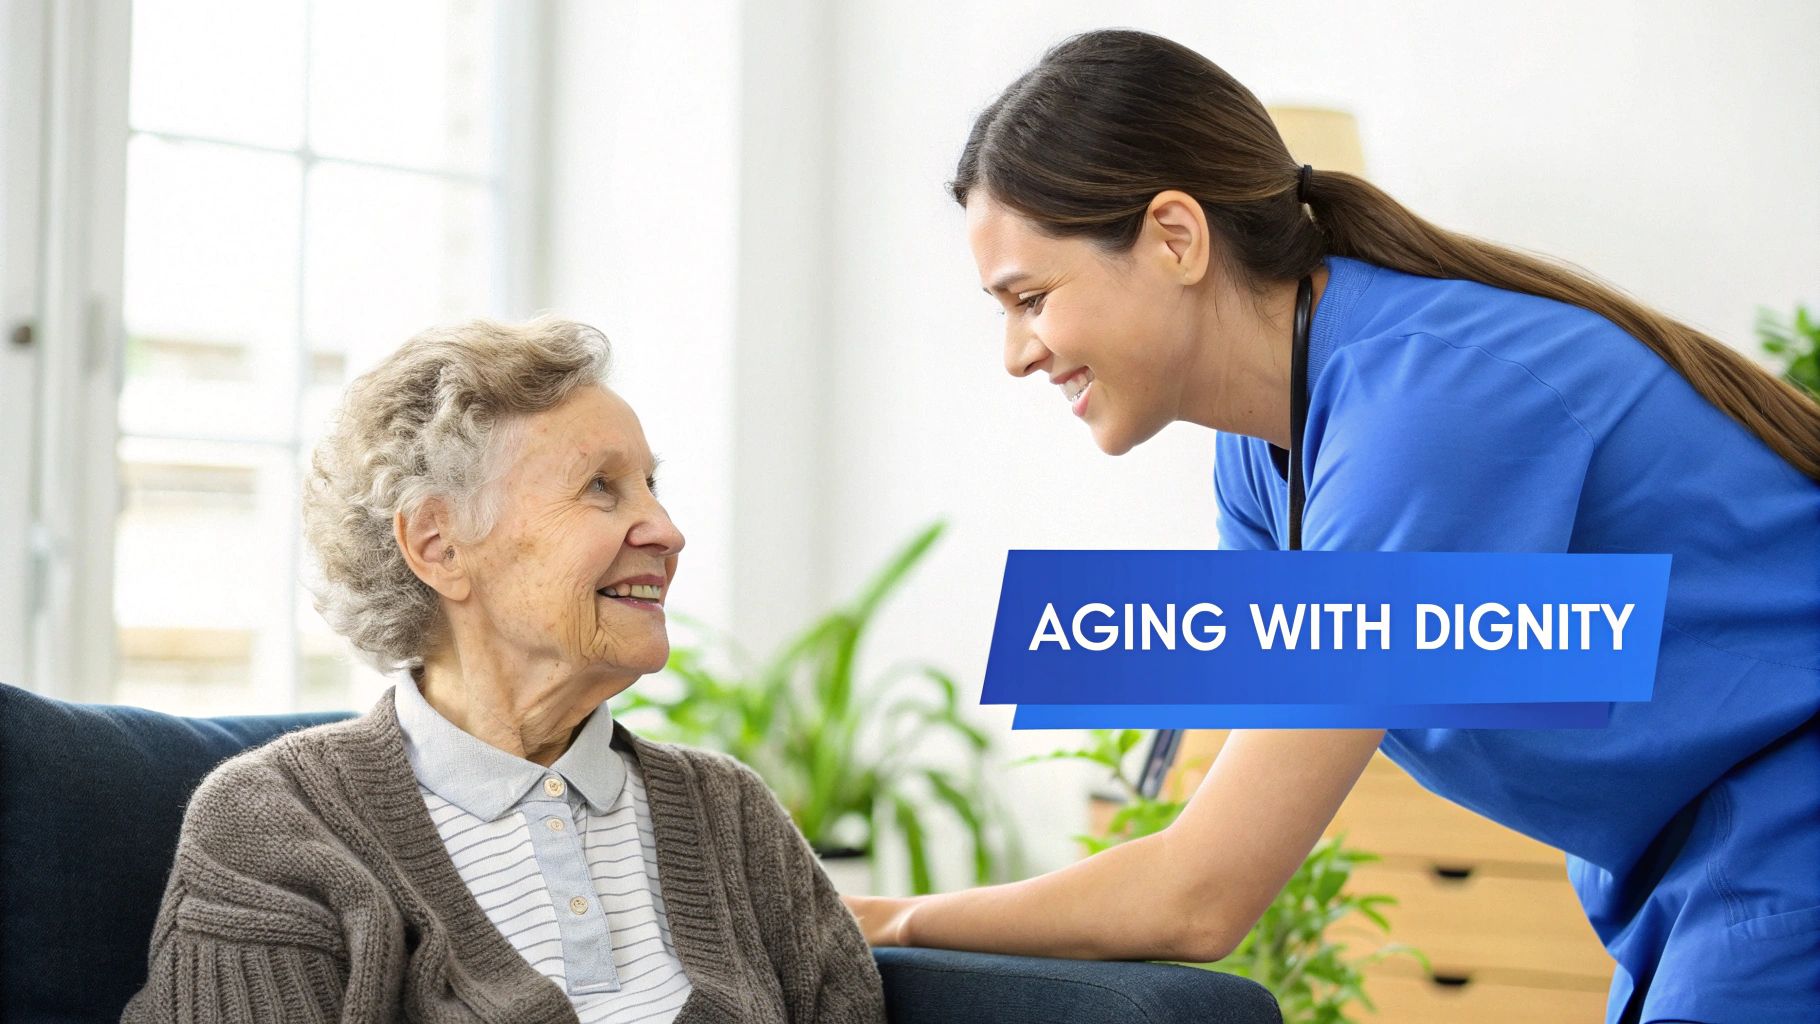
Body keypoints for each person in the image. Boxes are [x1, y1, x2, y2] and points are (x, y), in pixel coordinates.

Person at [841, 28, 1820, 1024]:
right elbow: (1224, 808)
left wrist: (892, 919)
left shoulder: (1423, 415)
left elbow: (1198, 894)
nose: (1014, 353)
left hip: (1783, 822)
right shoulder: (1263, 457)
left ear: (1175, 237)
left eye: (1031, 298)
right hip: (1683, 865)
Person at [123, 318, 886, 1024]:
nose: (666, 530)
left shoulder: (733, 816)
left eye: (653, 485)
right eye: (601, 487)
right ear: (438, 544)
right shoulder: (273, 830)